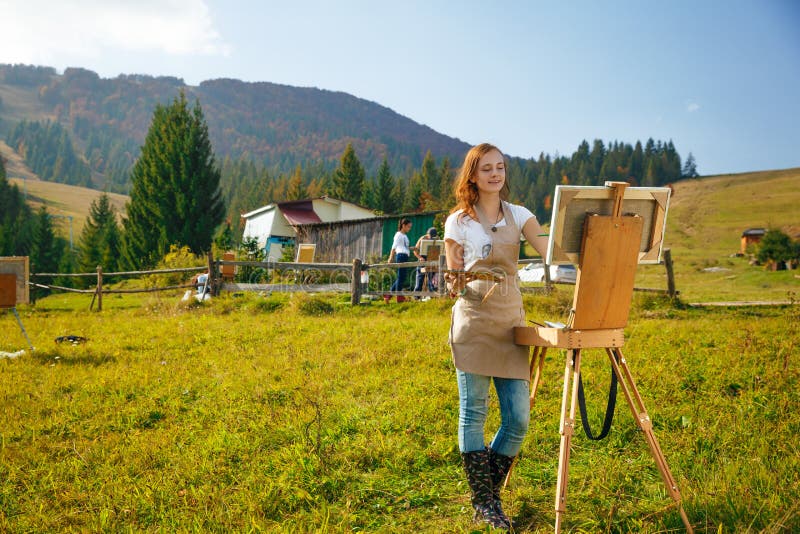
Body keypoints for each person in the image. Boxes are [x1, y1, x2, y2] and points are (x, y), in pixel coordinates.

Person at [443, 143, 548, 529]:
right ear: (472, 175)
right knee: (474, 414)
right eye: (486, 168)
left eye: (500, 167)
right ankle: (486, 503)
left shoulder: (520, 215)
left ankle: (485, 492)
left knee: (518, 418)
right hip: (473, 320)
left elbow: (549, 249)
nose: (495, 174)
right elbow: (452, 267)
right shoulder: (458, 221)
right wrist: (454, 281)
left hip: (510, 322)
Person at [387, 217, 412, 302]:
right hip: (401, 255)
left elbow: (405, 247)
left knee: (401, 277)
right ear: (403, 225)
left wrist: (413, 249)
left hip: (405, 255)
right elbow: (394, 246)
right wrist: (391, 257)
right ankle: (399, 297)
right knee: (401, 277)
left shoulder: (404, 236)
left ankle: (388, 295)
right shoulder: (398, 235)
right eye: (408, 226)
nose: (409, 228)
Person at [412, 226, 439, 293]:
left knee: (431, 278)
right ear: (427, 234)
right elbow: (415, 251)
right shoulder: (422, 239)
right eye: (431, 236)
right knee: (420, 277)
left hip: (431, 260)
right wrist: (420, 258)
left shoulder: (437, 239)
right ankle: (416, 296)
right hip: (422, 260)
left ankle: (432, 295)